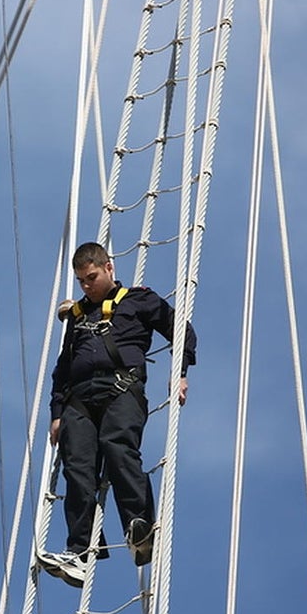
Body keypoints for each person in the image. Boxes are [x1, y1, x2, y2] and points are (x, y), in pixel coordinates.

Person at [38, 242, 196, 588]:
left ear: (108, 268)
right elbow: (62, 369)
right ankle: (79, 553)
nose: (86, 286)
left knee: (118, 447)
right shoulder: (78, 316)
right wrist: (56, 412)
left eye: (91, 278)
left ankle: (139, 527)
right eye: (81, 281)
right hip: (78, 400)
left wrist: (180, 371)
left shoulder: (139, 300)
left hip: (121, 389)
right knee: (77, 468)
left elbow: (182, 331)